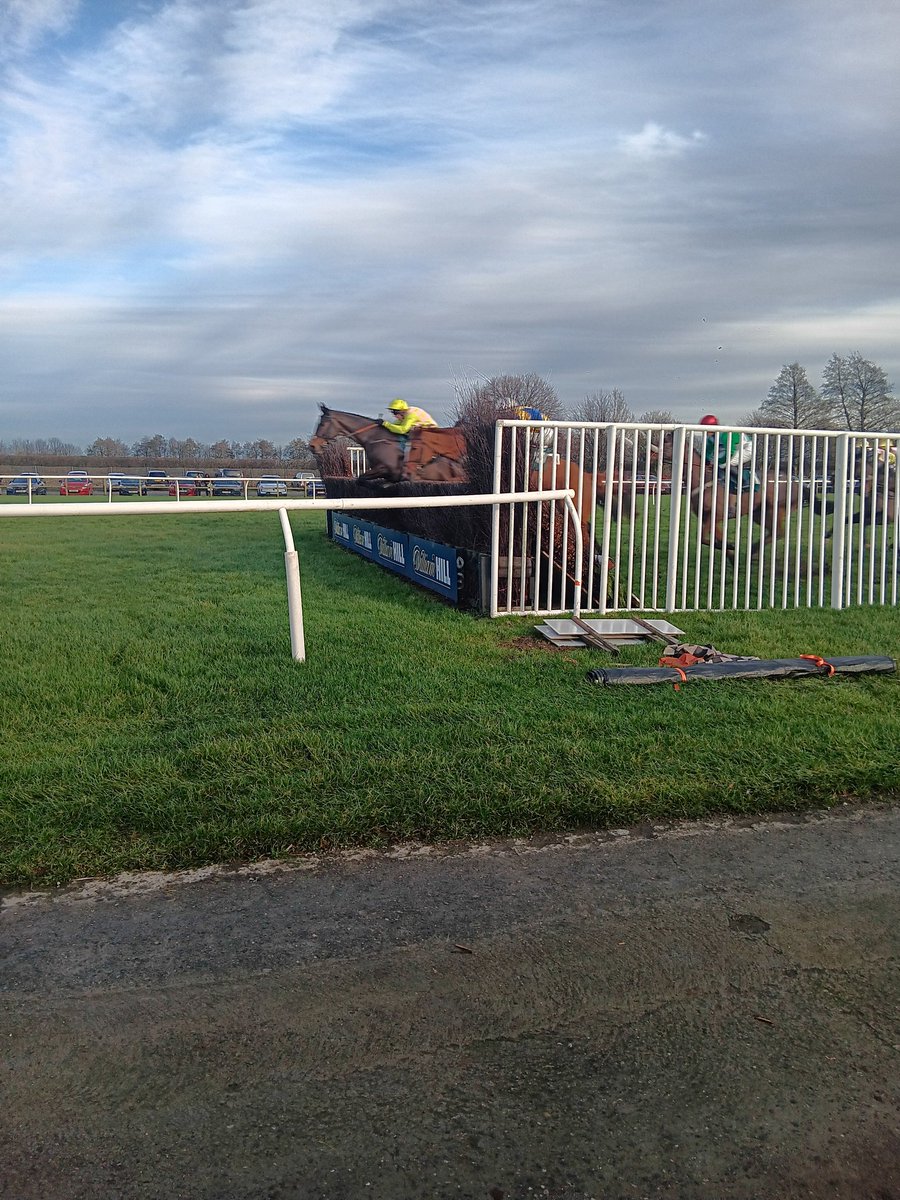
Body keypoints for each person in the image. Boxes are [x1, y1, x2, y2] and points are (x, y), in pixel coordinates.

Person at [698, 413, 755, 489]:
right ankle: (721, 479)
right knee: (718, 461)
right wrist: (706, 461)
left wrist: (717, 462)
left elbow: (730, 452)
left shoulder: (725, 435)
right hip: (735, 449)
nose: (704, 432)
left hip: (747, 449)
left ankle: (744, 482)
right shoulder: (711, 438)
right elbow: (707, 452)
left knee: (723, 463)